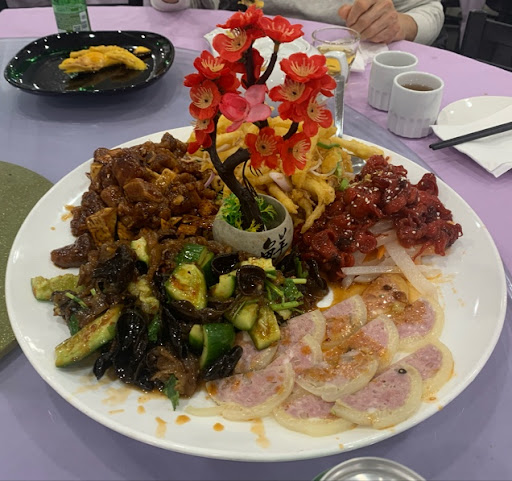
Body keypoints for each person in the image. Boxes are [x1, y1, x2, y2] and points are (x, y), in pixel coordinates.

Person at [150, 0, 444, 45]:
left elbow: (429, 9)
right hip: (236, 60)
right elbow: (196, 7)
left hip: (339, 68)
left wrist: (398, 24)